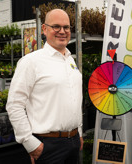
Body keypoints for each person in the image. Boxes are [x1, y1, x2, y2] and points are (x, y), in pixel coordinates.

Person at [6, 9, 83, 164]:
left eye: (66, 27)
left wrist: (79, 133)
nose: (62, 31)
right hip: (47, 146)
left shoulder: (70, 60)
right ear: (44, 29)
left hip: (73, 142)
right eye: (56, 26)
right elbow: (14, 104)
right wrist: (30, 143)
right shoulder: (31, 62)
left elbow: (74, 99)